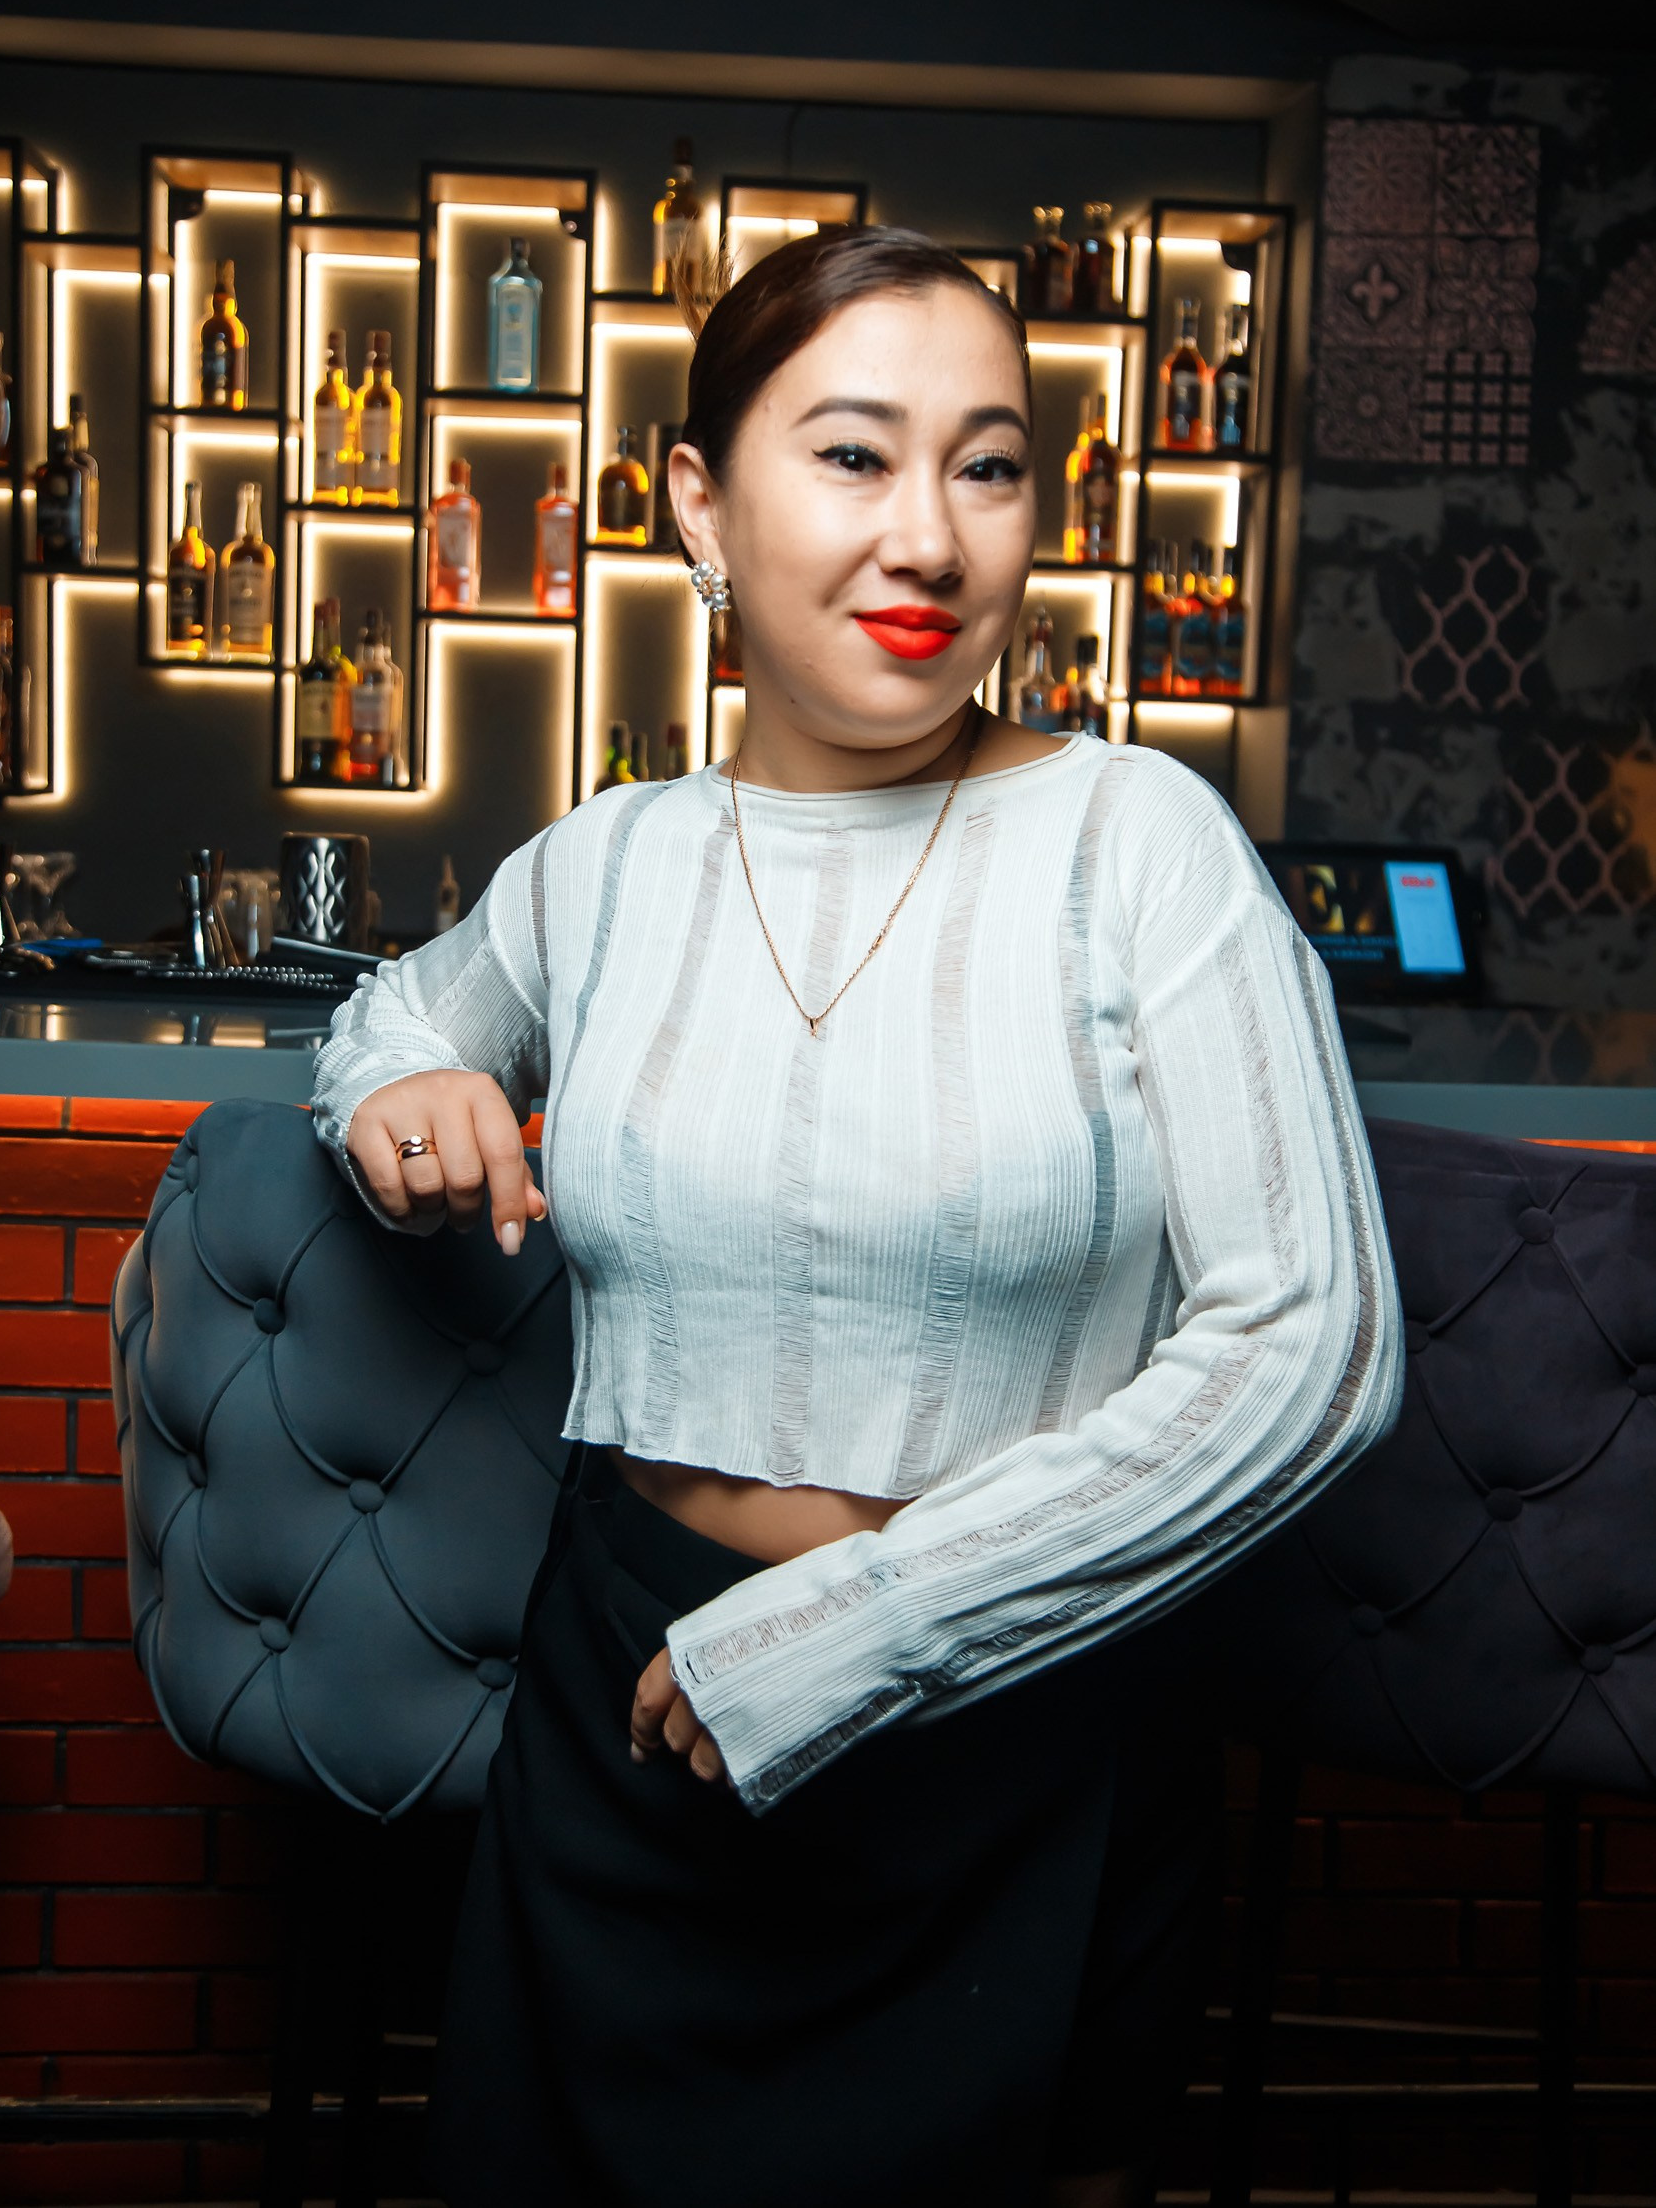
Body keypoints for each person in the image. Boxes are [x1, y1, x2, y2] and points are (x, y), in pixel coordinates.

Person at [311, 225, 1404, 2208]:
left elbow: (1312, 1346)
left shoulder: (1140, 842)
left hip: (1017, 1724)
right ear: (699, 503)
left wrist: (876, 1625)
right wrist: (399, 1080)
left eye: (988, 466)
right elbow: (390, 1012)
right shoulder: (604, 866)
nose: (931, 537)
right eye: (852, 455)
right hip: (629, 1716)